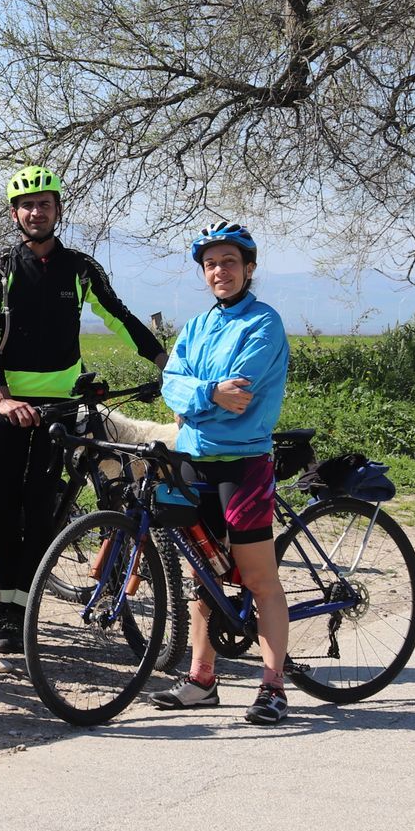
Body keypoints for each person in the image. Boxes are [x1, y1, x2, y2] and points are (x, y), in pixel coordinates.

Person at [0, 166, 166, 654]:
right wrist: (3, 395)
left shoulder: (80, 267)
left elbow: (119, 316)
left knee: (39, 508)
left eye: (44, 203)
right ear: (15, 214)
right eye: (27, 205)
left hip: (61, 409)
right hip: (8, 405)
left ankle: (20, 613)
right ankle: (5, 611)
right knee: (4, 509)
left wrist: (164, 361)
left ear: (58, 210)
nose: (36, 211)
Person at [152, 222, 293, 725]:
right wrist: (206, 395)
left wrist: (197, 400)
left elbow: (242, 398)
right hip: (194, 460)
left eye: (229, 262)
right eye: (212, 264)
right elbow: (172, 385)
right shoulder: (195, 326)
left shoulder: (264, 324)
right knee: (201, 578)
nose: (220, 271)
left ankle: (274, 686)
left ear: (248, 269)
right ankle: (202, 680)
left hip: (244, 460)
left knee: (258, 578)